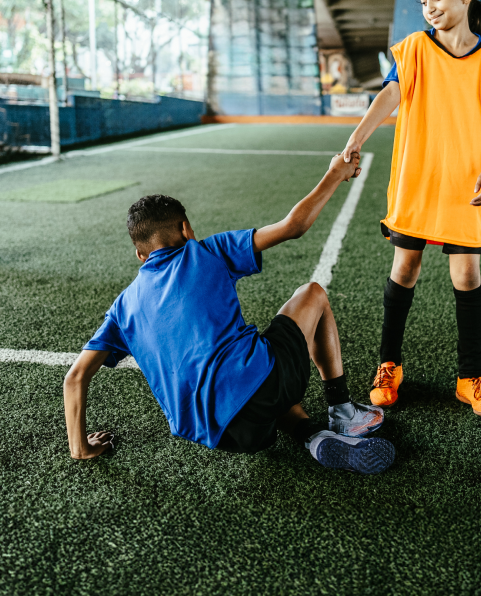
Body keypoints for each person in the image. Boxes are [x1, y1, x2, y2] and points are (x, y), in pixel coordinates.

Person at [62, 151, 396, 475]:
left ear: (139, 255)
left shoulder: (121, 308)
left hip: (222, 435)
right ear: (186, 229)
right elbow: (294, 225)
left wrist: (82, 448)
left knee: (245, 385)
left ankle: (312, 436)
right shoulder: (205, 251)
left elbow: (75, 377)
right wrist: (336, 173)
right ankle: (342, 410)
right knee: (312, 294)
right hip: (262, 386)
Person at [340, 0, 481, 419]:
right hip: (417, 179)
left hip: (465, 183)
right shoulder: (414, 49)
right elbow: (391, 95)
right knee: (406, 266)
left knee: (466, 275)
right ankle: (388, 366)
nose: (429, 7)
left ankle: (469, 378)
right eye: (423, 0)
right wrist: (356, 138)